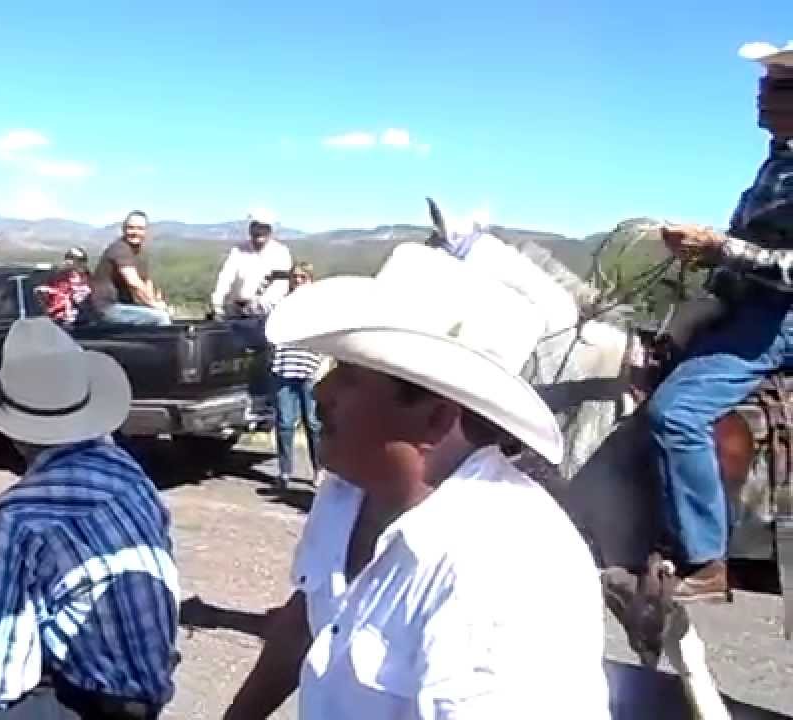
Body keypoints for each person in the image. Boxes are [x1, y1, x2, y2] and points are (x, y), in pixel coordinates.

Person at [224, 242, 609, 719]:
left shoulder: (507, 568)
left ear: (434, 419)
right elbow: (309, 617)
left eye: (351, 376)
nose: (322, 392)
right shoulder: (350, 489)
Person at [0, 317, 179, 719]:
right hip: (145, 690)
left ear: (11, 425)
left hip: (86, 703)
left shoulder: (20, 513)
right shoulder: (128, 472)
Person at [644, 42, 793, 601]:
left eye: (777, 86)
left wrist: (723, 250)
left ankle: (706, 561)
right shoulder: (778, 161)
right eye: (763, 84)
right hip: (746, 303)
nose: (761, 95)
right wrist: (707, 252)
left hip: (778, 317)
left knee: (674, 413)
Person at [268, 262, 325, 490]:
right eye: (295, 277)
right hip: (284, 368)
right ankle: (284, 471)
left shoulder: (318, 306)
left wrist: (322, 364)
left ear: (311, 280)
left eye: (303, 277)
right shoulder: (281, 305)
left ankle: (319, 469)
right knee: (284, 423)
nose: (298, 281)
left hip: (309, 369)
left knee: (313, 423)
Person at [89, 211, 172, 326]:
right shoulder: (120, 249)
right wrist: (154, 305)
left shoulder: (139, 252)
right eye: (131, 228)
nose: (135, 232)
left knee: (161, 312)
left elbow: (146, 282)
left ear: (146, 231)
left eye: (140, 228)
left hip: (123, 305)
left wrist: (156, 301)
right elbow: (134, 283)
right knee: (160, 318)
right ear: (123, 229)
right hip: (107, 308)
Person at [209, 208, 292, 319]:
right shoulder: (238, 250)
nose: (259, 231)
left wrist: (258, 306)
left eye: (264, 227)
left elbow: (280, 286)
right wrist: (217, 302)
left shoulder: (281, 253)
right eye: (256, 226)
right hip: (238, 310)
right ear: (250, 229)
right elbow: (225, 277)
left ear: (270, 230)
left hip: (268, 314)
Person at [36, 246, 93, 325]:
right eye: (70, 257)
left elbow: (88, 292)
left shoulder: (86, 276)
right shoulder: (56, 274)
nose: (72, 261)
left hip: (81, 316)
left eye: (81, 259)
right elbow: (46, 291)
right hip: (59, 315)